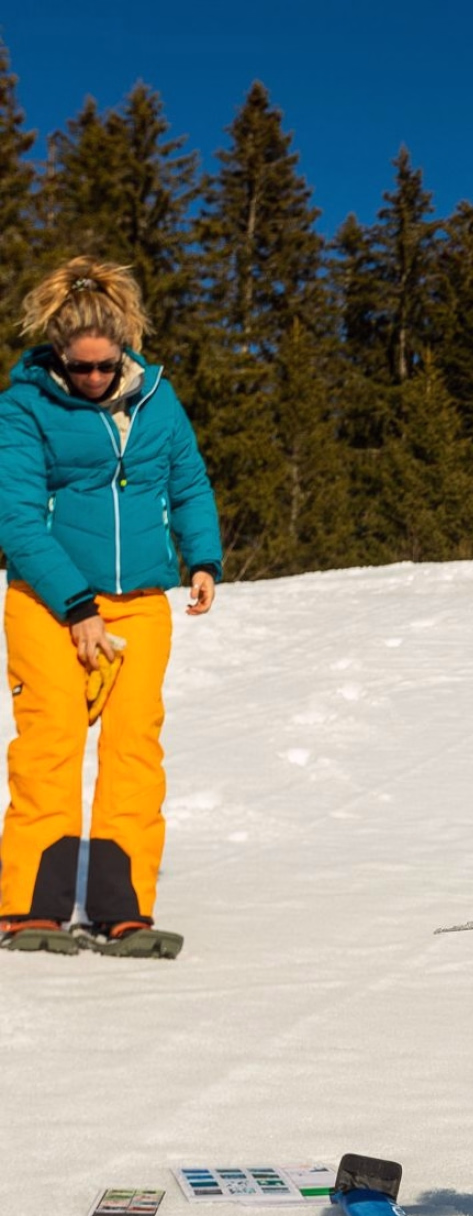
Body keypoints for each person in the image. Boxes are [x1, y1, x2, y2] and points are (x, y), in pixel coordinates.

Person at [0, 257, 223, 958]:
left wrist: (203, 558)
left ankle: (121, 911)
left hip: (139, 607)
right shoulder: (23, 405)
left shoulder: (159, 398)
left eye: (103, 366)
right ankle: (30, 908)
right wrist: (75, 604)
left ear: (124, 347)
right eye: (79, 368)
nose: (91, 379)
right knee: (51, 744)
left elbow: (186, 479)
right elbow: (16, 517)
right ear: (59, 355)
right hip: (46, 602)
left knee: (134, 751)